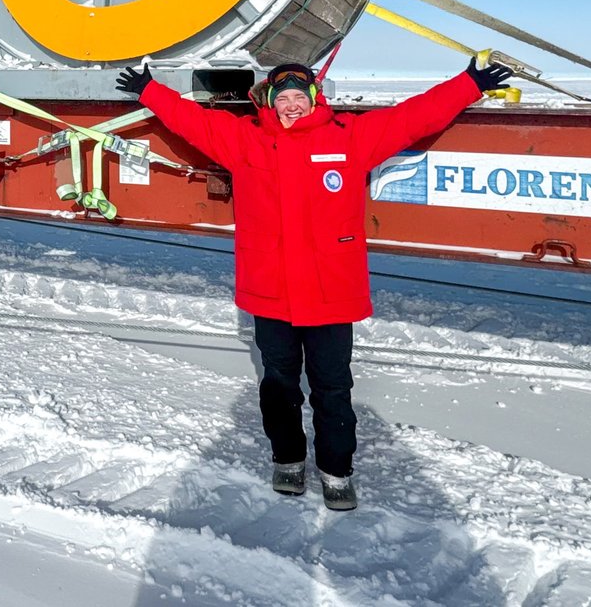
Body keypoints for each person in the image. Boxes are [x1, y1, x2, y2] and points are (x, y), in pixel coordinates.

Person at [115, 56, 513, 511]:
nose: (290, 106)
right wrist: (150, 91)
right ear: (269, 103)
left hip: (330, 292)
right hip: (271, 289)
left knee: (332, 386)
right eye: (281, 98)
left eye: (298, 97)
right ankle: (287, 459)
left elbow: (411, 118)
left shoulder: (349, 137)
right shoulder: (246, 141)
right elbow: (194, 122)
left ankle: (336, 471)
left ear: (314, 99)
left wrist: (468, 84)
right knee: (279, 382)